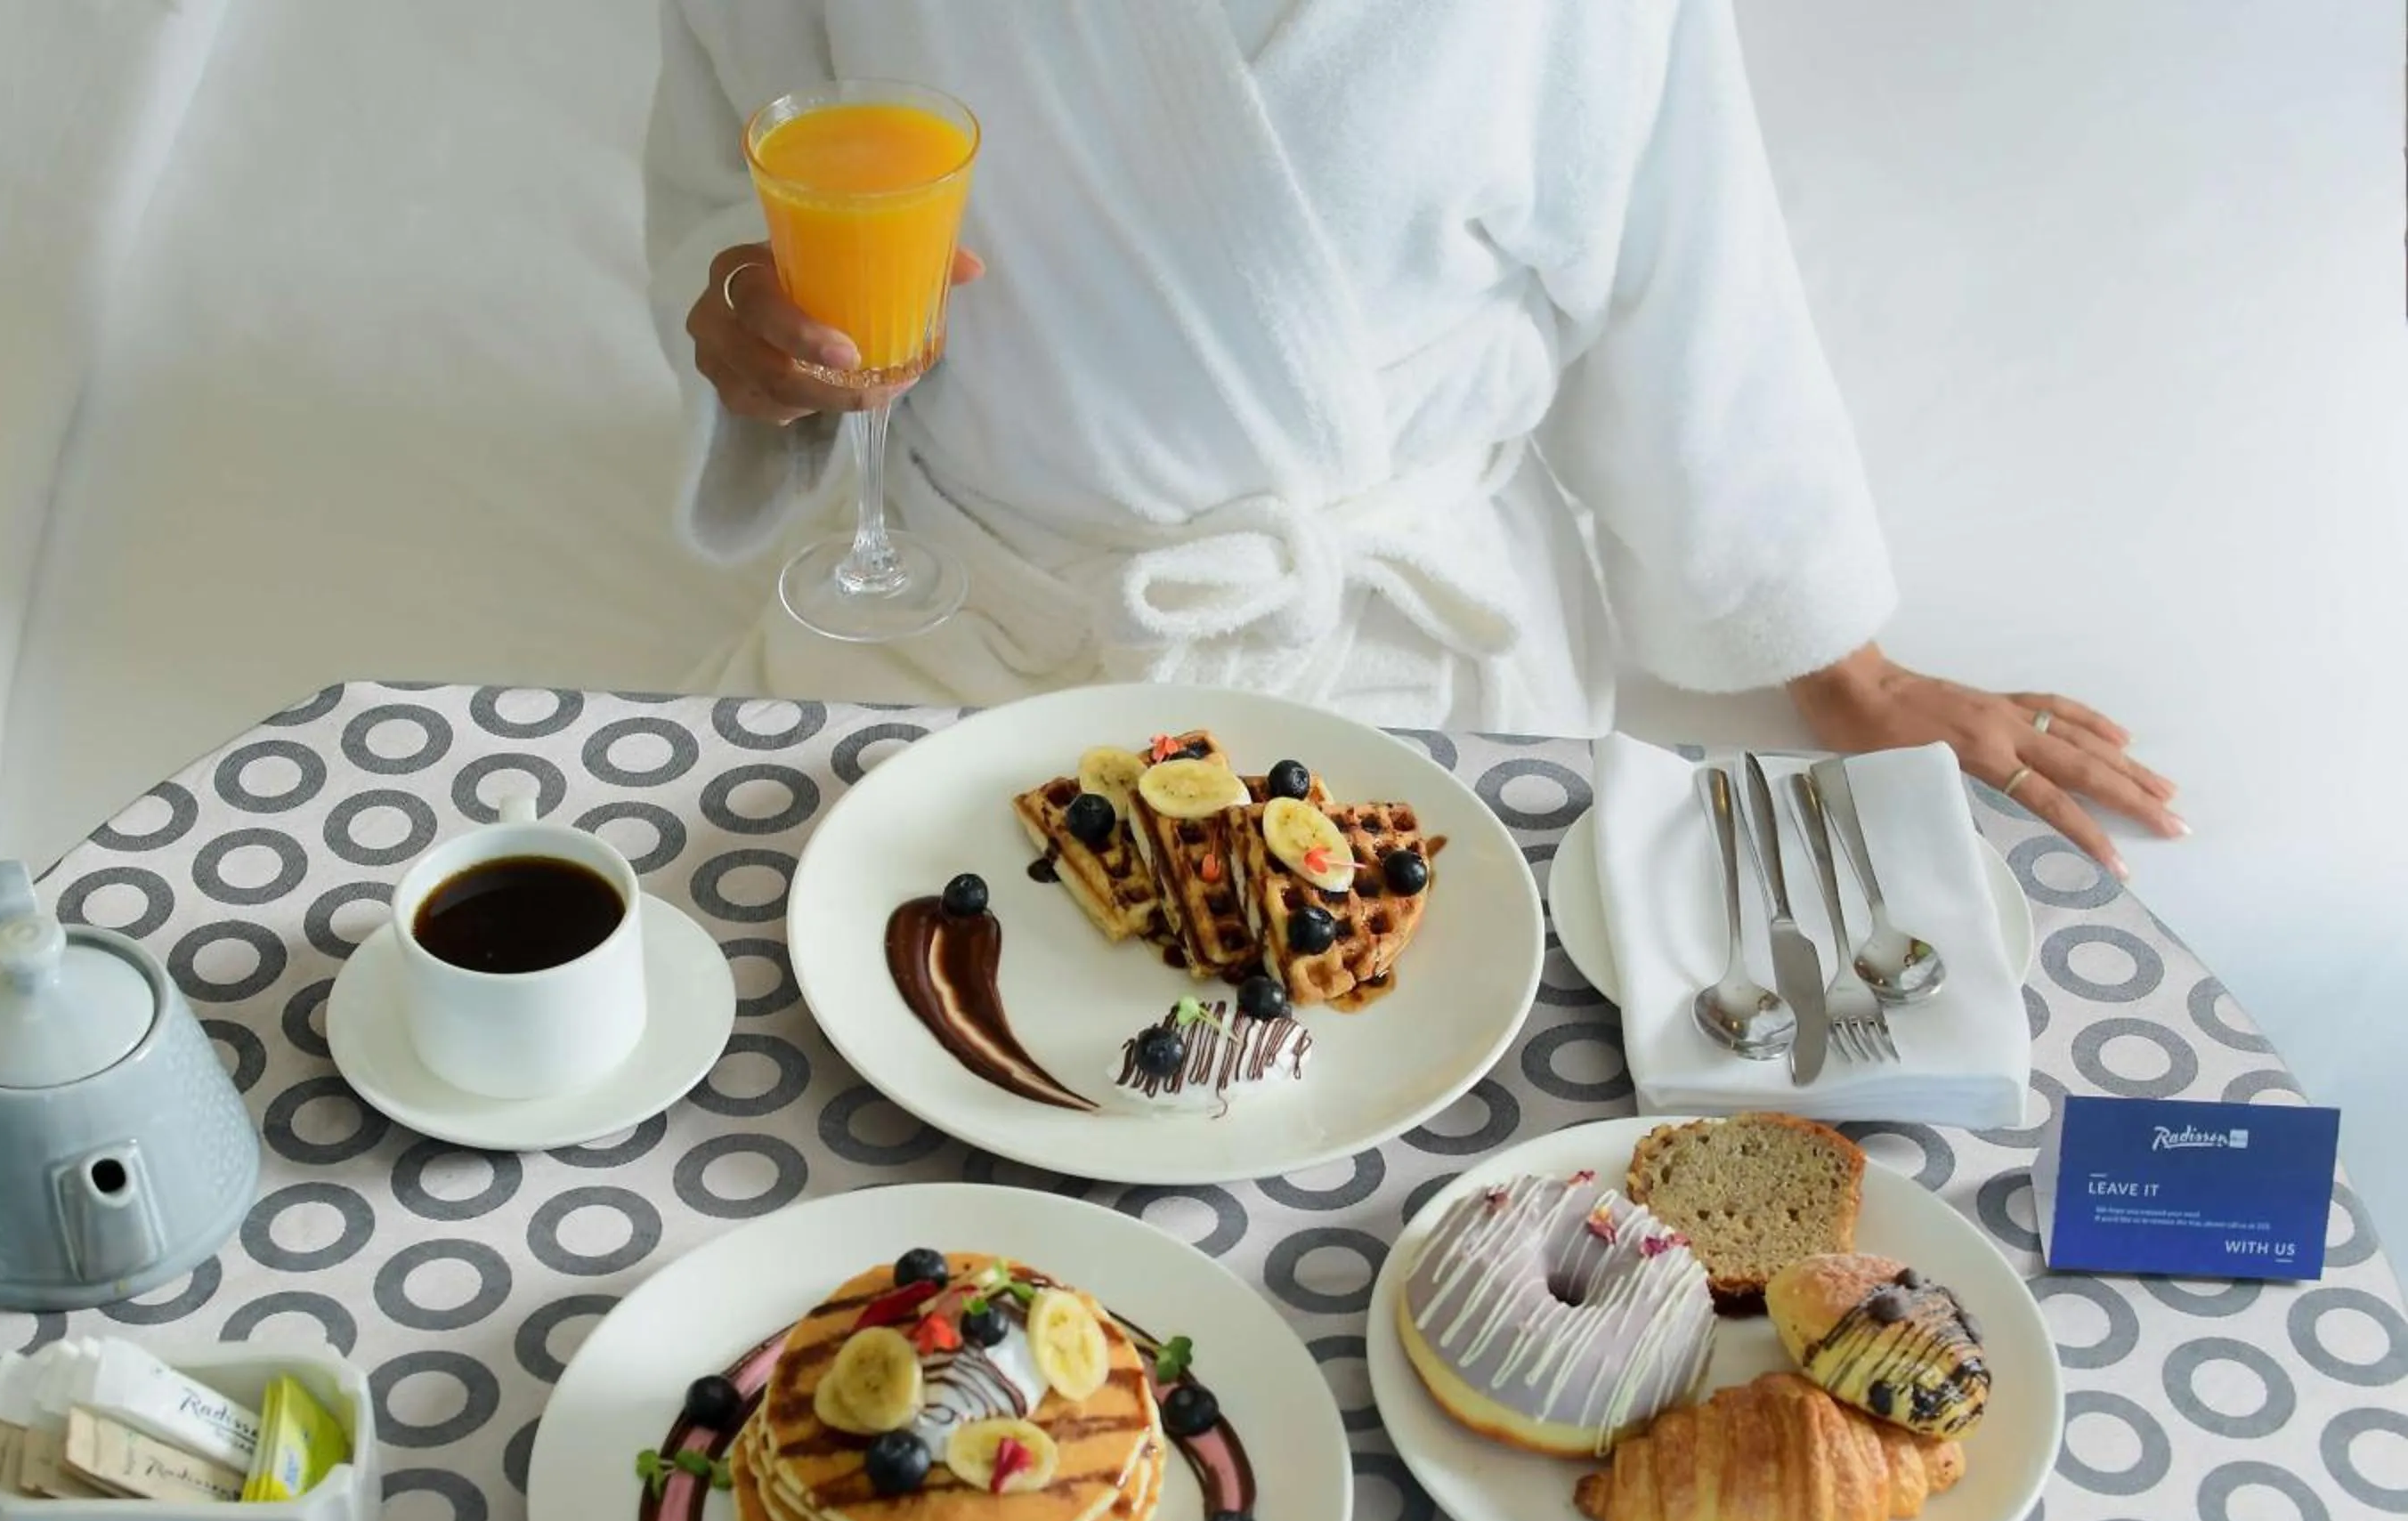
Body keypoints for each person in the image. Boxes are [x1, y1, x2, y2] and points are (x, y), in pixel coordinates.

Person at [645, 0, 2180, 873]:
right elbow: (738, 171)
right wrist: (748, 315)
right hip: (964, 614)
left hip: (1396, 650)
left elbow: (1685, 270)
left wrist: (1846, 667)